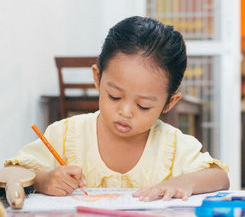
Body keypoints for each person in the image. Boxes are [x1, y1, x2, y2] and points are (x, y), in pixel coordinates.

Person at [5, 16, 229, 201]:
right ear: (97, 78)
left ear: (169, 103)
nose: (126, 111)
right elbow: (10, 173)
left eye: (143, 106)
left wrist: (182, 183)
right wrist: (44, 180)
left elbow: (220, 178)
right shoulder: (66, 135)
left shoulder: (171, 146)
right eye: (114, 96)